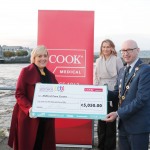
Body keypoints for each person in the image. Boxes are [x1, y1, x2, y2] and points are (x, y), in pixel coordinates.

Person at [8, 45, 58, 150]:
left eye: (45, 56)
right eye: (39, 56)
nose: (43, 59)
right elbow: (19, 94)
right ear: (34, 58)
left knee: (43, 145)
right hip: (29, 118)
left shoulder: (51, 76)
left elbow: (58, 95)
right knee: (30, 145)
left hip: (46, 119)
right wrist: (29, 108)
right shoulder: (26, 72)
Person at [104, 40, 150, 150]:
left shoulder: (145, 70)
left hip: (138, 127)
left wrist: (118, 113)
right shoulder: (122, 70)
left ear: (138, 50)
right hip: (123, 126)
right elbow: (116, 94)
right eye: (123, 50)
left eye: (129, 50)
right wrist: (101, 93)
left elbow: (141, 100)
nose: (126, 53)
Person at [94, 39, 123, 150]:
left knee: (110, 121)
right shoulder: (98, 60)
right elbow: (96, 77)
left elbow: (121, 76)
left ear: (112, 48)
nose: (105, 49)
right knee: (100, 120)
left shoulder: (117, 60)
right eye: (104, 47)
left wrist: (118, 92)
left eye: (108, 47)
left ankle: (110, 147)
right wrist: (95, 90)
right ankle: (101, 146)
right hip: (100, 91)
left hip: (113, 91)